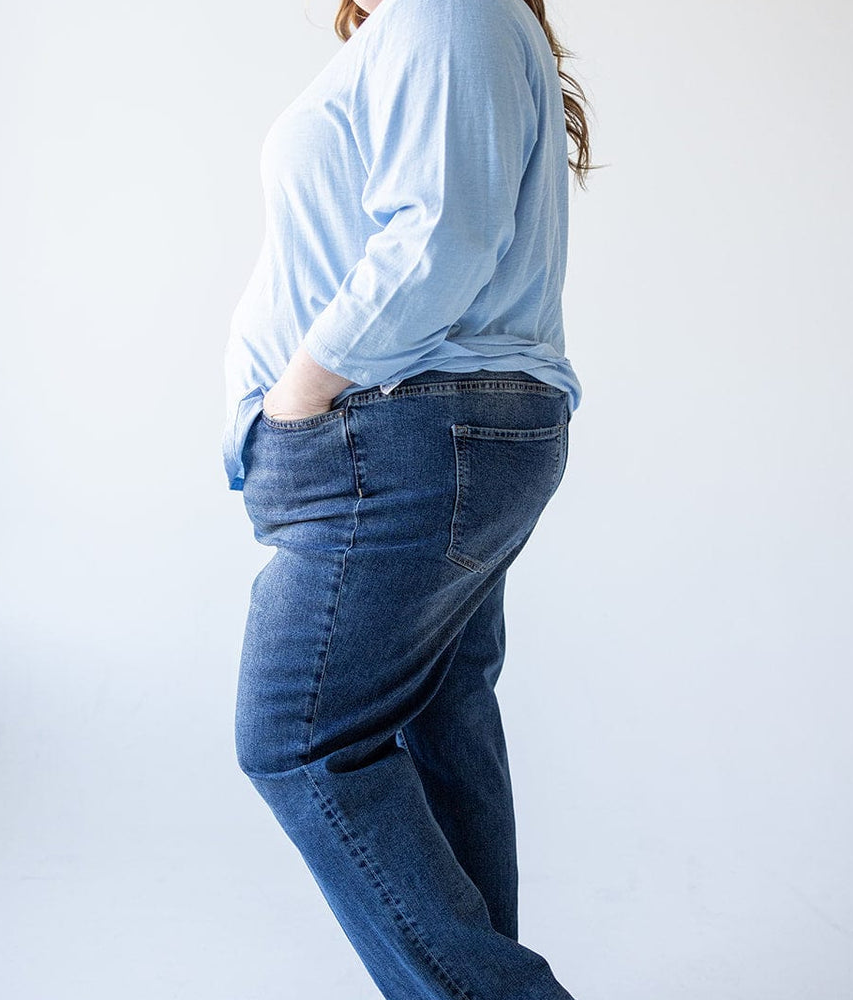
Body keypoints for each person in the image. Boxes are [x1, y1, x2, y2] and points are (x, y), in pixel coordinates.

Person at [220, 0, 598, 996]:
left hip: (401, 434)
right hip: (426, 435)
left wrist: (299, 390)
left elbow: (441, 232)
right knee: (439, 714)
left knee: (298, 738)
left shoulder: (447, 6)